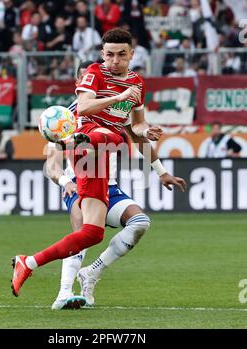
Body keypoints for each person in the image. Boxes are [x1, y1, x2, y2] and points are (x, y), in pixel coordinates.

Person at [11, 28, 164, 298]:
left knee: (102, 232)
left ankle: (65, 269)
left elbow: (137, 127)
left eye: (121, 55)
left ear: (132, 55)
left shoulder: (137, 84)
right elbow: (79, 114)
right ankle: (64, 293)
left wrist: (145, 133)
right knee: (110, 137)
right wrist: (64, 179)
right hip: (83, 168)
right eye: (109, 56)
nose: (114, 61)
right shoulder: (67, 114)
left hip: (106, 176)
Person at [48, 61, 187, 310]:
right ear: (78, 85)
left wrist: (161, 171)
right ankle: (63, 294)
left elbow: (137, 137)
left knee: (140, 223)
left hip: (109, 187)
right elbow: (52, 164)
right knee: (81, 232)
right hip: (80, 185)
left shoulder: (112, 114)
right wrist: (65, 181)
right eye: (85, 82)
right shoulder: (64, 120)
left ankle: (91, 274)